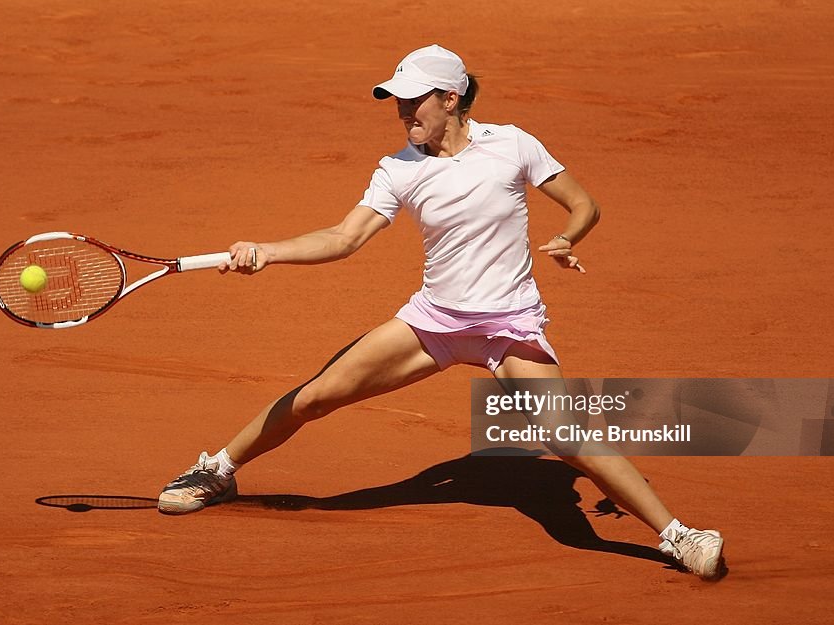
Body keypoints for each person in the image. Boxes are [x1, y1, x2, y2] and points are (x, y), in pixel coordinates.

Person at [158, 44, 725, 580]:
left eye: (414, 99)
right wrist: (269, 251)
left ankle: (679, 535)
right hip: (435, 323)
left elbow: (584, 204)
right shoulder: (398, 169)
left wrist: (567, 237)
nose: (403, 111)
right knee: (314, 396)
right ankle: (218, 470)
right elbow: (343, 236)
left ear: (450, 99)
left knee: (566, 435)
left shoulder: (514, 145)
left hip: (507, 327)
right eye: (398, 101)